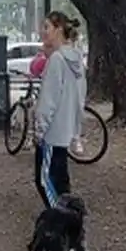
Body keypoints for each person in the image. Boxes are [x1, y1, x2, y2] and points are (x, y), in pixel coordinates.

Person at [34, 11, 86, 207]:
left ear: (58, 29)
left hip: (52, 133)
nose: (43, 31)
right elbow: (80, 98)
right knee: (60, 180)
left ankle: (61, 220)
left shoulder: (57, 60)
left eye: (46, 27)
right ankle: (70, 217)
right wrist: (75, 131)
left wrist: (39, 130)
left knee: (45, 181)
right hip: (64, 132)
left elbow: (48, 100)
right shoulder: (75, 60)